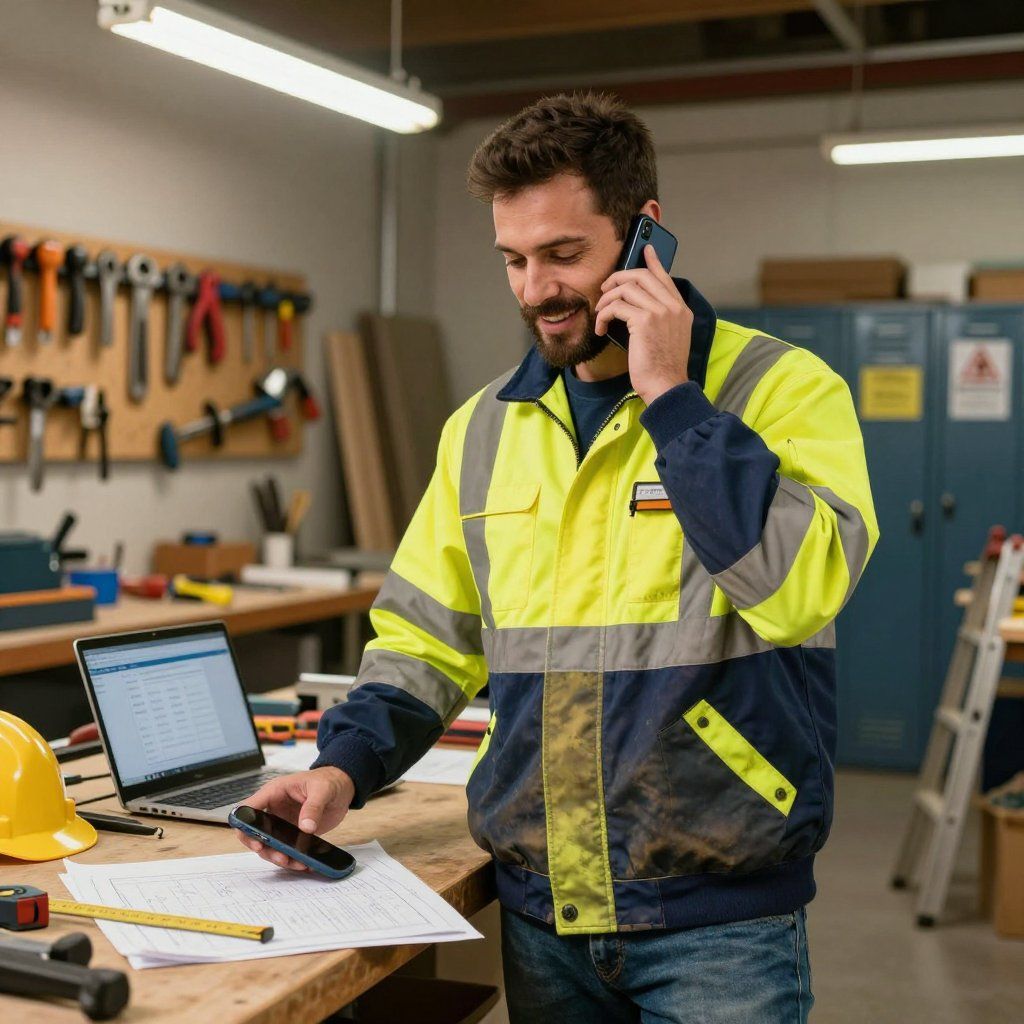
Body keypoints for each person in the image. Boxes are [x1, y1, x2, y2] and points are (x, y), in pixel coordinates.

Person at [237, 92, 878, 1023]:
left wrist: (671, 399)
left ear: (646, 236)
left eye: (565, 254)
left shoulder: (779, 390)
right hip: (544, 915)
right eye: (514, 258)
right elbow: (424, 640)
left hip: (717, 923)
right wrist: (341, 768)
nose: (536, 288)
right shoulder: (483, 429)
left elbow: (796, 591)